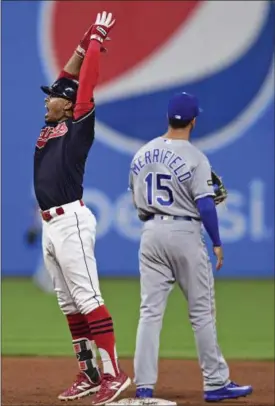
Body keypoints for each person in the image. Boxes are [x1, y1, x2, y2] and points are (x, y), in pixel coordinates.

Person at [128, 92, 253, 403]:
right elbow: (206, 206)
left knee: (149, 312)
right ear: (194, 120)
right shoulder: (196, 157)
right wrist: (217, 242)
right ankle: (215, 382)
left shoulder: (142, 153)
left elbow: (135, 199)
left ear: (168, 118)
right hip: (184, 231)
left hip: (151, 231)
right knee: (201, 313)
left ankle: (144, 386)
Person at [34, 12, 130, 405]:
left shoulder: (78, 124)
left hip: (71, 219)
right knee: (69, 303)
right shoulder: (54, 119)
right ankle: (89, 373)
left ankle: (114, 375)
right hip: (49, 225)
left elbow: (84, 83)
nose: (47, 98)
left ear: (69, 104)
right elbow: (66, 76)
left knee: (88, 298)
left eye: (53, 96)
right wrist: (81, 42)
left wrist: (97, 41)